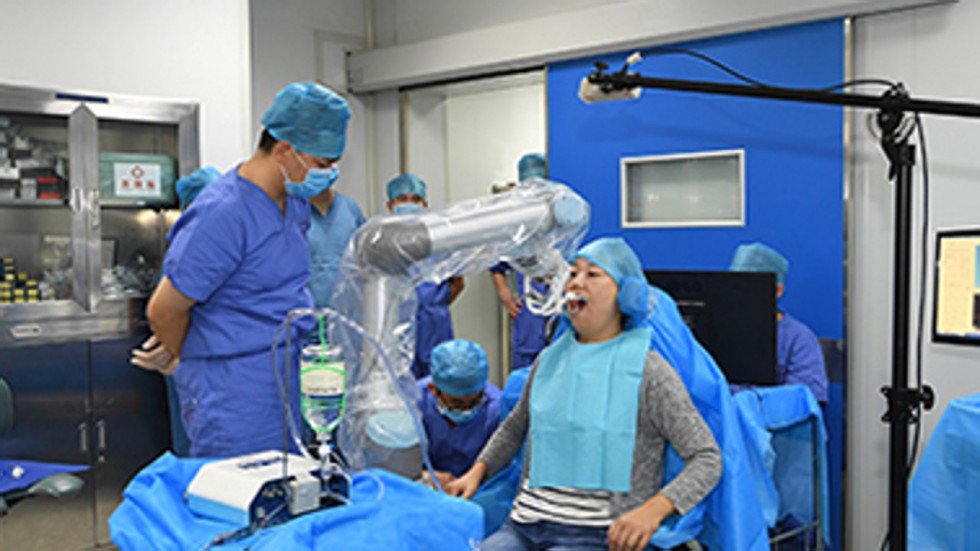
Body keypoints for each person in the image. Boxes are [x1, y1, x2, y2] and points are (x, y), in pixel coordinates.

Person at [451, 237, 722, 551]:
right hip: (524, 526)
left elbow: (707, 458)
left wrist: (654, 510)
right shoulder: (548, 361)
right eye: (573, 273)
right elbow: (514, 428)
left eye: (593, 274)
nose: (576, 282)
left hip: (598, 536)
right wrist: (477, 472)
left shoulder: (648, 371)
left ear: (626, 293)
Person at [133, 82, 351, 458]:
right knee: (242, 501)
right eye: (322, 165)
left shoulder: (293, 202)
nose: (329, 174)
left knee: (294, 495)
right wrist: (188, 357)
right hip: (234, 393)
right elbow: (164, 309)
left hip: (288, 377)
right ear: (285, 150)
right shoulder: (224, 213)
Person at [134, 166, 221, 456]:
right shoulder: (187, 250)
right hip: (197, 373)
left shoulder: (222, 243)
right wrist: (177, 355)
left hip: (211, 372)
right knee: (198, 454)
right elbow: (166, 315)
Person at [385, 173, 465, 378]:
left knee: (440, 380)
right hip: (398, 325)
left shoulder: (440, 239)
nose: (410, 204)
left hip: (435, 325)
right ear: (390, 205)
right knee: (402, 381)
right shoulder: (382, 242)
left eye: (416, 200)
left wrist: (434, 306)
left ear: (425, 204)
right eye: (402, 199)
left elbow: (458, 282)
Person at [729, 242, 828, 403]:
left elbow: (804, 402)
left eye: (751, 286)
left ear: (778, 290)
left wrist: (749, 404)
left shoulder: (799, 339)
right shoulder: (724, 333)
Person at [490, 153, 551, 371]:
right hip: (529, 308)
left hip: (559, 302)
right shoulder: (516, 223)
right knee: (526, 373)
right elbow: (497, 263)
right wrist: (504, 294)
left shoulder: (563, 217)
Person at [417, 339, 501, 489]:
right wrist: (424, 476)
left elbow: (504, 467)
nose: (467, 409)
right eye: (457, 403)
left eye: (476, 401)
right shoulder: (414, 402)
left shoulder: (497, 408)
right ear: (434, 389)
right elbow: (395, 461)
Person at [306, 166, 365, 309]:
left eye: (323, 165)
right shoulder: (294, 211)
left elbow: (365, 259)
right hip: (306, 313)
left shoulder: (350, 209)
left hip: (347, 310)